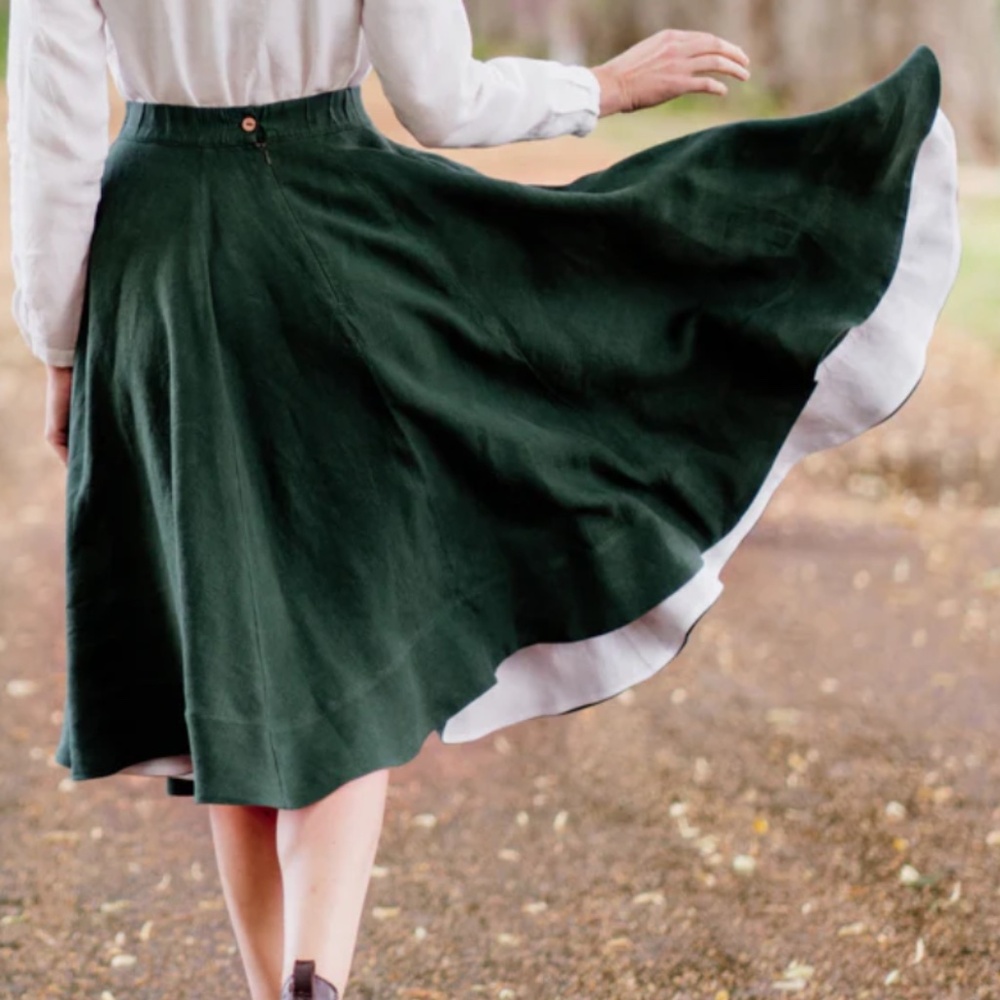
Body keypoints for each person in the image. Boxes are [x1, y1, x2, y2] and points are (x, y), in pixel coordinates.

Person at [6, 1, 959, 998]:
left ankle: (269, 988)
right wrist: (603, 87)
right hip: (333, 240)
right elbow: (440, 100)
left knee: (228, 655)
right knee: (345, 633)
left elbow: (55, 137)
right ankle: (314, 973)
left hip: (156, 264)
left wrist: (65, 346)